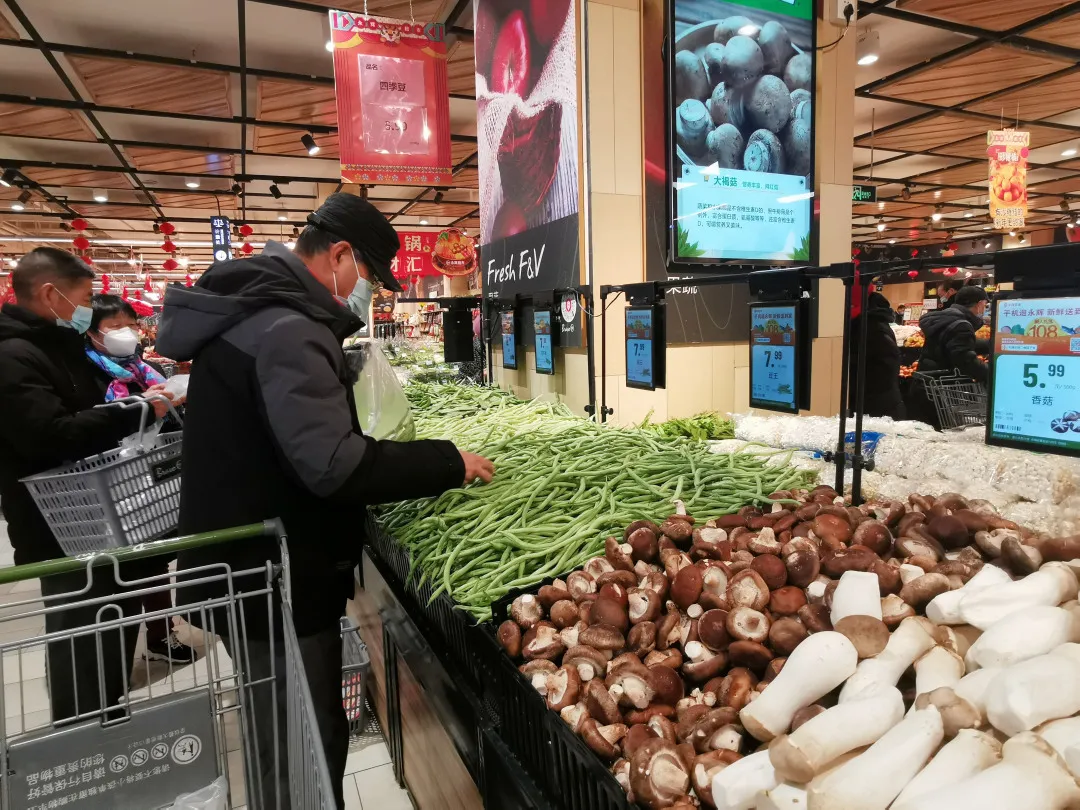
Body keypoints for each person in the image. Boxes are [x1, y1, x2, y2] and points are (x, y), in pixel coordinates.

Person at [155, 193, 495, 810]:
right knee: (303, 734)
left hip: (251, 563)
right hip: (273, 576)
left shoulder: (257, 312)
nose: (365, 291)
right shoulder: (286, 327)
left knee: (285, 724)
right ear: (340, 254)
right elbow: (332, 464)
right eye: (365, 274)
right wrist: (447, 461)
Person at [0, 248, 169, 723]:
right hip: (60, 528)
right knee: (82, 642)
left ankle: (107, 727)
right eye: (84, 298)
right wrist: (137, 410)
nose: (88, 309)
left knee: (109, 633)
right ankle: (84, 747)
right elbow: (47, 435)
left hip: (99, 520)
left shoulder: (56, 349)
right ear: (50, 294)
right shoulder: (14, 356)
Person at [86, 294, 197, 665]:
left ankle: (160, 635)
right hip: (106, 480)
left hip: (148, 473)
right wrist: (143, 406)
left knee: (154, 560)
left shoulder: (142, 368)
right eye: (115, 327)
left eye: (130, 325)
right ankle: (112, 653)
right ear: (92, 332)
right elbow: (95, 423)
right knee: (121, 568)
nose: (127, 333)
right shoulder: (89, 372)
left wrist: (170, 399)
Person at [906, 285, 990, 429]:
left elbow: (957, 344)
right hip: (942, 391)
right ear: (979, 304)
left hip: (926, 384)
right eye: (985, 304)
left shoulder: (945, 319)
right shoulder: (961, 324)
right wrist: (990, 373)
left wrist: (991, 345)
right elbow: (965, 360)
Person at [849, 292, 905, 420]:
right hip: (884, 398)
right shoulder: (878, 325)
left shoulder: (868, 327)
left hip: (874, 400)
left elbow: (886, 365)